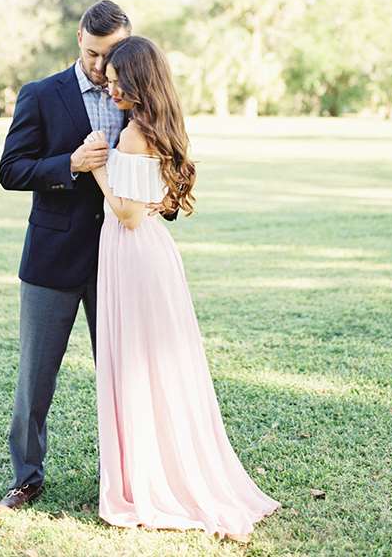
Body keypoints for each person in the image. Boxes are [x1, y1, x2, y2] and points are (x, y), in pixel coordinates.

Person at [86, 35, 280, 543]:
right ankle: (158, 466)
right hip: (154, 252)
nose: (108, 91)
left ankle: (150, 480)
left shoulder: (131, 137)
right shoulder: (162, 127)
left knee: (138, 364)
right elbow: (150, 205)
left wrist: (98, 169)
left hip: (133, 252)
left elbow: (126, 215)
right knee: (157, 365)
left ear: (136, 84)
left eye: (114, 84)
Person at [0, 0, 172, 512]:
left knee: (123, 374)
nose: (100, 66)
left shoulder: (136, 98)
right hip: (52, 259)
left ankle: (121, 476)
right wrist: (68, 163)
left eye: (111, 54)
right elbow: (11, 170)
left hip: (121, 262)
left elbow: (157, 163)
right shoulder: (40, 95)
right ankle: (27, 476)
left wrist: (164, 202)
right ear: (78, 39)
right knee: (36, 378)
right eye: (93, 53)